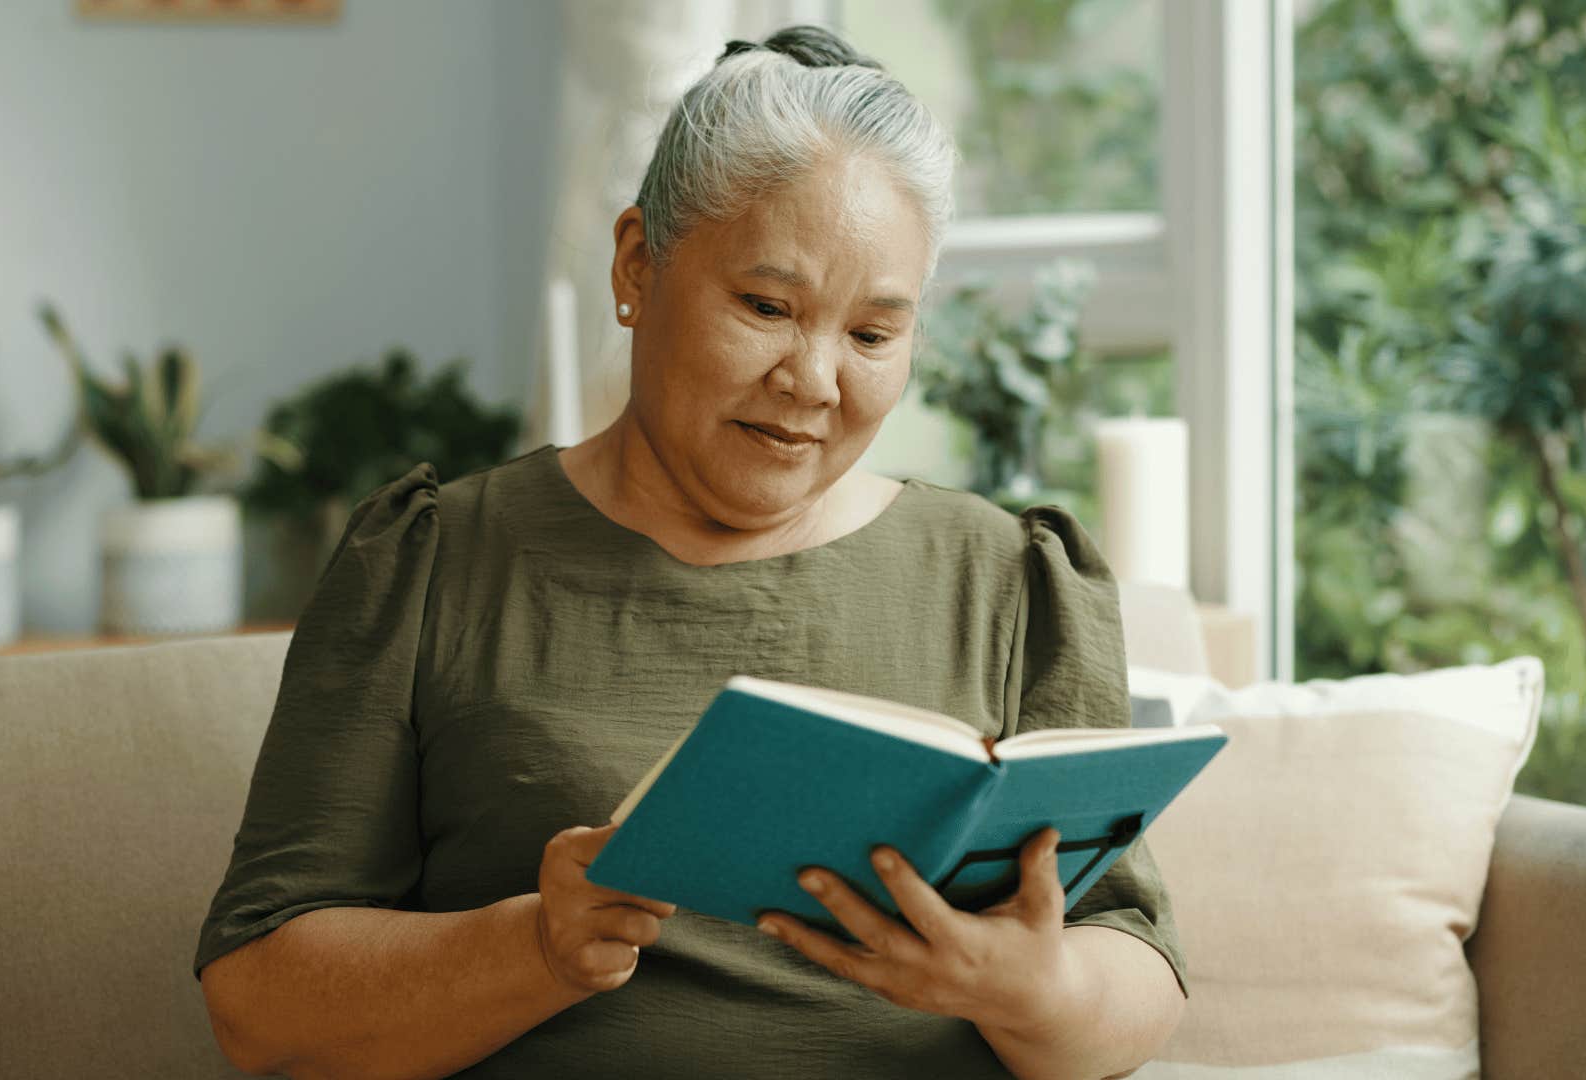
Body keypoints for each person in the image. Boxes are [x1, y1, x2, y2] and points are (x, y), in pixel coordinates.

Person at [193, 24, 1187, 1080]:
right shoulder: (433, 561)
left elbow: (1140, 975)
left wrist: (1037, 992)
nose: (813, 380)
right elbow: (259, 1006)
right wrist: (536, 948)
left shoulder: (1011, 580)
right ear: (637, 265)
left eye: (871, 335)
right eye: (766, 306)